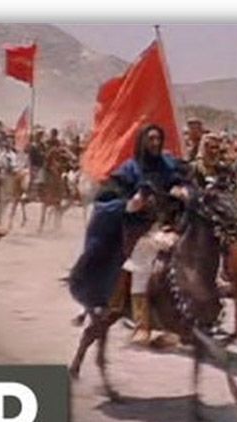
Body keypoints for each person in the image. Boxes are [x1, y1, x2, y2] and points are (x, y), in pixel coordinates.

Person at [68, 125, 191, 332]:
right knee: (141, 265)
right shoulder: (130, 169)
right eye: (151, 139)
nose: (155, 143)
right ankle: (140, 324)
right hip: (138, 228)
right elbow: (106, 198)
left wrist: (183, 190)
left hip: (170, 224)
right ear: (142, 142)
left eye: (158, 139)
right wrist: (129, 204)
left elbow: (185, 181)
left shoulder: (169, 165)